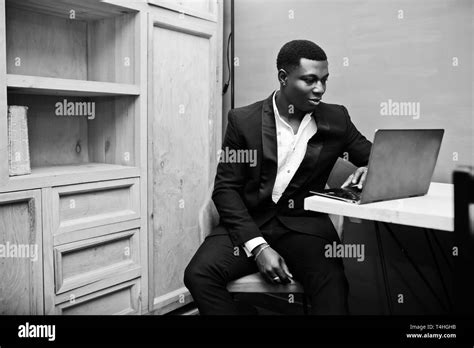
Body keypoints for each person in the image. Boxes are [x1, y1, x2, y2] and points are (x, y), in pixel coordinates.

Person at [184, 39, 372, 315]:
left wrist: (370, 168)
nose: (319, 89)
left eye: (324, 80)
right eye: (309, 80)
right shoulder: (243, 121)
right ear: (283, 78)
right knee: (198, 275)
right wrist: (258, 247)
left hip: (305, 228)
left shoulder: (337, 118)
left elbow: (373, 156)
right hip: (249, 224)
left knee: (333, 284)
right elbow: (225, 189)